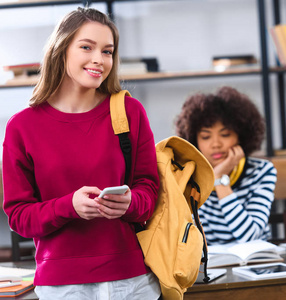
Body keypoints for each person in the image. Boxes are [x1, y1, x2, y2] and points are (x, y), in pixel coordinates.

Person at [2, 8, 161, 299]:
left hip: (133, 280)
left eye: (108, 51)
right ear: (61, 49)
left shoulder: (129, 112)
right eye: (86, 47)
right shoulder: (22, 127)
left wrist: (129, 203)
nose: (99, 60)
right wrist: (68, 207)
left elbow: (149, 192)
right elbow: (19, 217)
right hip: (62, 286)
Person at [175, 86, 277, 245]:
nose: (216, 144)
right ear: (195, 140)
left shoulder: (261, 171)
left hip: (254, 266)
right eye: (206, 136)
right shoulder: (190, 176)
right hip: (212, 268)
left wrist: (219, 180)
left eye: (225, 134)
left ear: (241, 136)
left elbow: (249, 237)